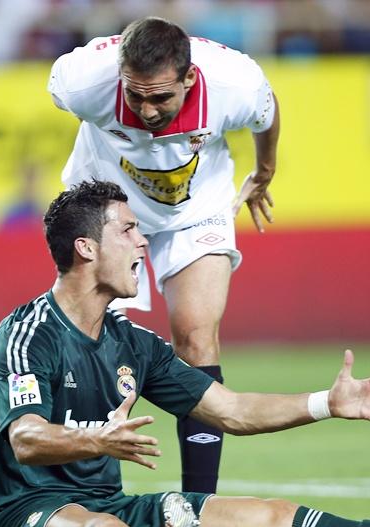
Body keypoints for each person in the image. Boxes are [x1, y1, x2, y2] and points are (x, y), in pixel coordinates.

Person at [0, 180, 370, 527]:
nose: (143, 241)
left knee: (272, 518)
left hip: (111, 506)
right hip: (32, 515)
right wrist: (96, 438)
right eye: (128, 230)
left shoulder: (133, 343)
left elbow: (231, 411)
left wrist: (326, 402)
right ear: (86, 248)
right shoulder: (28, 336)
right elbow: (27, 439)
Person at [47, 16, 280, 493]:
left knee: (196, 338)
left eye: (161, 97)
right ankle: (76, 494)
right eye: (135, 96)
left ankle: (199, 506)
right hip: (106, 209)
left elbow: (269, 111)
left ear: (190, 78)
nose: (148, 111)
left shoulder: (235, 84)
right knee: (87, 345)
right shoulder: (81, 82)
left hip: (197, 210)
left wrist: (264, 171)